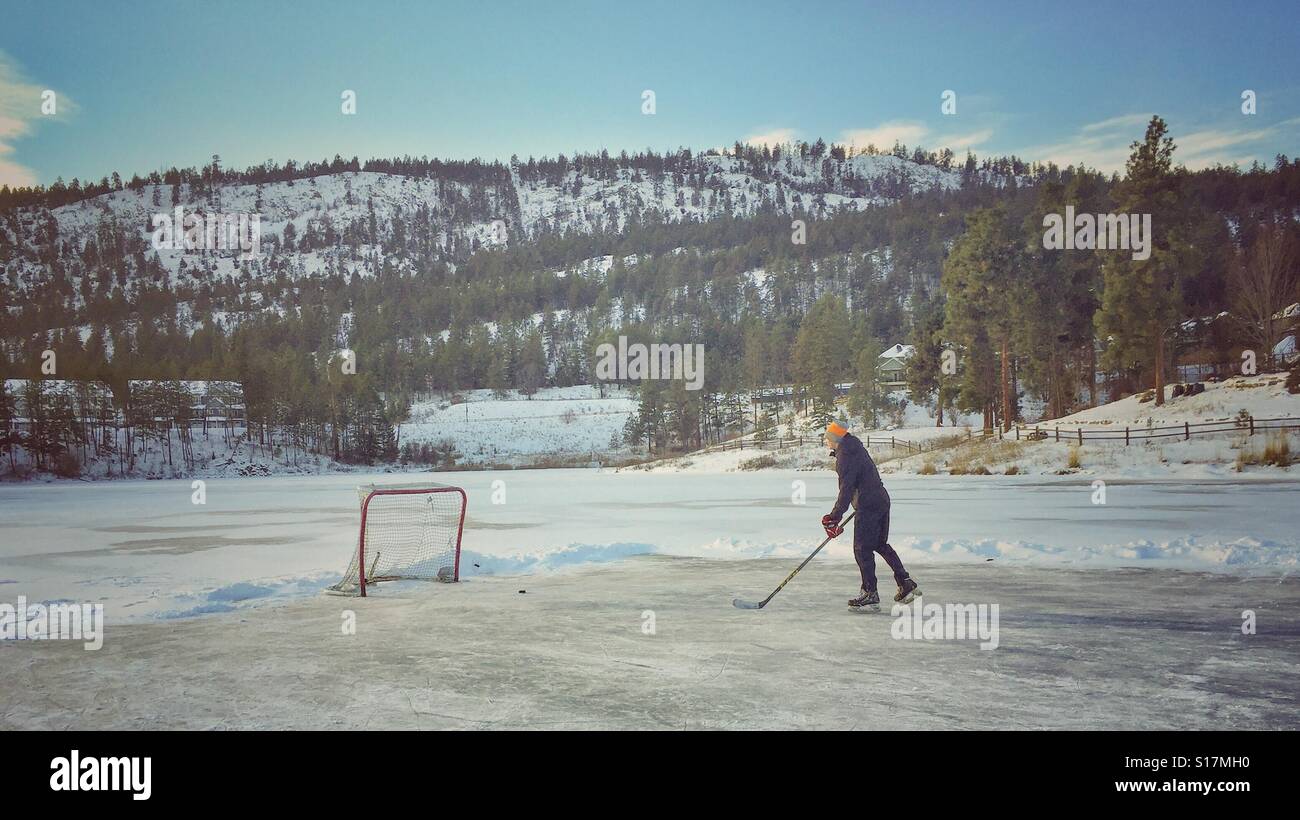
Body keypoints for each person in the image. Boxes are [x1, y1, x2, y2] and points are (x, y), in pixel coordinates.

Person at [821, 420, 919, 608]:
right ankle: (905, 582)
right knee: (879, 544)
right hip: (880, 499)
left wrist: (834, 518)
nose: (826, 442)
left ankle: (869, 592)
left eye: (827, 438)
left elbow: (846, 489)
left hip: (868, 504)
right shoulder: (854, 446)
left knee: (862, 549)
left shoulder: (845, 455)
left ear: (835, 439)